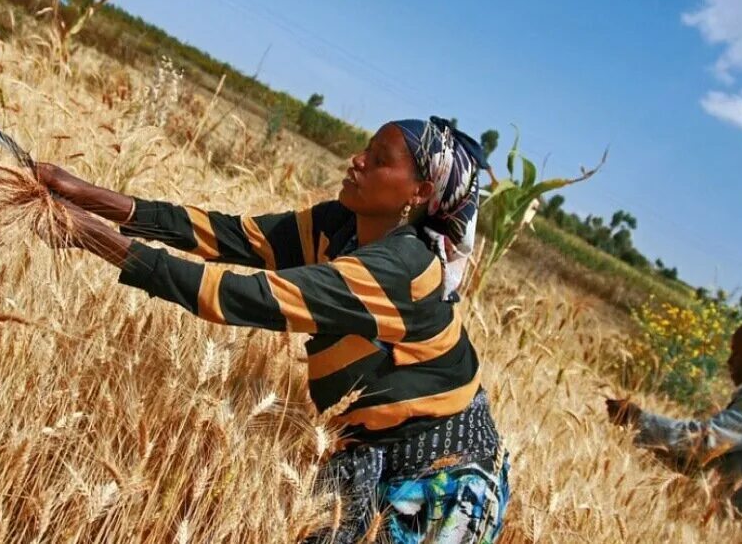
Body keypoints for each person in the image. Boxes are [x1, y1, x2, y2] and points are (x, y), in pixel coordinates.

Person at [35, 116, 510, 543]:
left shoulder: (401, 270)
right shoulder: (341, 226)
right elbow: (228, 236)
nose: (357, 160)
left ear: (419, 193)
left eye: (378, 160)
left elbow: (248, 298)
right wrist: (87, 194)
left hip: (436, 486)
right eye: (365, 148)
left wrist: (95, 239)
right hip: (366, 456)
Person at [607, 321, 742, 532]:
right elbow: (726, 457)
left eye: (736, 353)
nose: (729, 362)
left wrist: (638, 420)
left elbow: (705, 441)